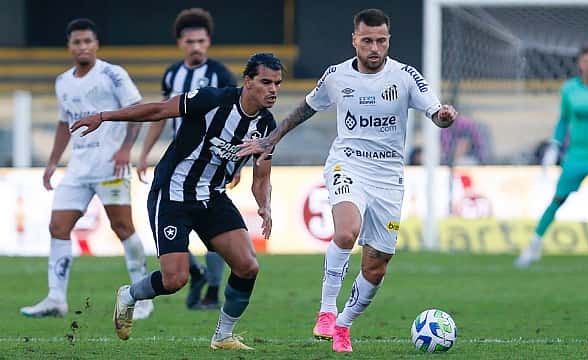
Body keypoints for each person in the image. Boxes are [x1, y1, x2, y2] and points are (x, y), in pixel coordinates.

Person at [237, 9, 457, 353]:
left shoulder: (405, 76)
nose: (374, 47)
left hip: (388, 177)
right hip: (348, 163)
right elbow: (306, 108)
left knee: (377, 264)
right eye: (367, 40)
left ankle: (343, 324)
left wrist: (444, 117)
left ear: (388, 41)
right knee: (345, 231)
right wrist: (272, 138)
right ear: (354, 39)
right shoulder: (336, 76)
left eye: (381, 41)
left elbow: (436, 112)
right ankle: (326, 310)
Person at [71, 53, 282, 351]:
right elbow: (158, 110)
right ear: (248, 81)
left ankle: (223, 336)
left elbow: (261, 177)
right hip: (173, 194)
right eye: (265, 82)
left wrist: (264, 204)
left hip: (213, 197)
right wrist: (104, 116)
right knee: (174, 280)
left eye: (277, 83)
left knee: (248, 266)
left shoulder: (267, 126)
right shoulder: (212, 99)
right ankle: (130, 295)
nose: (272, 89)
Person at [20, 18, 153, 320]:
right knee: (58, 227)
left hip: (110, 166)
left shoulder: (113, 74)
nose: (83, 47)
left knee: (122, 228)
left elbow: (137, 110)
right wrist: (53, 161)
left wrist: (125, 149)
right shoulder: (63, 81)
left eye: (87, 41)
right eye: (77, 42)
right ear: (69, 47)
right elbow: (63, 124)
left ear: (96, 45)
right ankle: (55, 298)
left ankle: (143, 296)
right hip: (78, 168)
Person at [137, 8, 237, 310]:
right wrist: (143, 153)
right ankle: (195, 272)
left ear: (208, 42)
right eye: (190, 41)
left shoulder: (220, 74)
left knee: (217, 228)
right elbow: (160, 115)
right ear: (180, 42)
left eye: (201, 41)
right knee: (169, 225)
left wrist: (234, 164)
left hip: (213, 164)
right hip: (177, 163)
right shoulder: (172, 74)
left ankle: (211, 291)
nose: (196, 46)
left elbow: (234, 117)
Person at [516, 46, 588, 268]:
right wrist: (554, 146)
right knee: (557, 200)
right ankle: (533, 246)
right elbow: (563, 120)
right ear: (580, 64)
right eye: (586, 61)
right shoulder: (570, 90)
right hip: (576, 154)